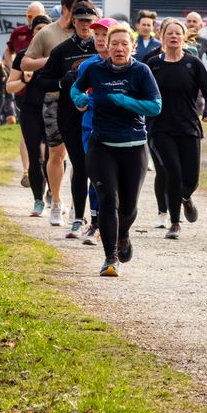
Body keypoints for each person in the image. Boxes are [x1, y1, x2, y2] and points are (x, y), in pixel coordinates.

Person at [71, 23, 162, 276]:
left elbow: (155, 106)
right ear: (107, 46)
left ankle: (123, 233)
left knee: (129, 206)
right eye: (115, 44)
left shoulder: (141, 71)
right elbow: (76, 87)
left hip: (133, 146)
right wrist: (78, 98)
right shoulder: (94, 69)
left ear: (133, 47)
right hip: (101, 145)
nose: (119, 48)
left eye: (125, 44)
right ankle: (110, 258)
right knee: (108, 200)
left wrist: (127, 102)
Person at [24, 0, 90, 224]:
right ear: (65, 9)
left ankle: (77, 206)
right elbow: (25, 63)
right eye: (76, 12)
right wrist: (54, 62)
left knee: (82, 158)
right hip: (55, 99)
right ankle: (57, 200)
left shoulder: (90, 34)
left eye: (85, 15)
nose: (81, 18)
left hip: (85, 101)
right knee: (57, 153)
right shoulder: (48, 33)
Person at [33, 1, 99, 235]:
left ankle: (97, 218)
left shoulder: (101, 49)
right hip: (69, 116)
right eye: (81, 20)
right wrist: (62, 82)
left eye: (89, 21)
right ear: (73, 21)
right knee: (79, 165)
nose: (85, 25)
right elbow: (42, 80)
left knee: (98, 168)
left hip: (97, 115)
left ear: (95, 22)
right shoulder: (61, 51)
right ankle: (78, 217)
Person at [146, 18, 207, 240]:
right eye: (169, 33)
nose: (174, 36)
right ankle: (174, 223)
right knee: (173, 172)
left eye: (178, 33)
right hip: (160, 127)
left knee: (191, 179)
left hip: (188, 126)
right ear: (162, 37)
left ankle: (186, 198)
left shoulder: (193, 63)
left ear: (184, 37)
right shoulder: (153, 64)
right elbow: (139, 87)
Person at [74, 17, 119, 245]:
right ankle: (95, 224)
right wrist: (79, 100)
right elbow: (77, 93)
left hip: (121, 129)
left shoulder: (128, 65)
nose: (100, 39)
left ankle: (115, 222)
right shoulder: (87, 66)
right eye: (97, 35)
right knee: (96, 176)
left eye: (105, 34)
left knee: (117, 180)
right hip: (91, 126)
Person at [9, 14, 53, 215]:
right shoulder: (23, 57)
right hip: (31, 110)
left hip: (54, 108)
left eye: (46, 28)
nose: (41, 33)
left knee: (54, 155)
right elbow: (10, 86)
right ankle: (38, 200)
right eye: (38, 29)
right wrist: (25, 81)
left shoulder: (57, 55)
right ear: (32, 32)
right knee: (36, 156)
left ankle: (54, 192)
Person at [4, 1, 47, 69]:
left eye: (36, 16)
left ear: (44, 15)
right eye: (30, 16)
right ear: (26, 15)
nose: (32, 19)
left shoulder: (50, 32)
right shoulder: (18, 32)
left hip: (42, 74)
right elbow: (8, 50)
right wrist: (11, 66)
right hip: (22, 74)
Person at [185, 12, 207, 76]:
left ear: (200, 25)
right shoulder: (179, 40)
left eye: (194, 21)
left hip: (198, 76)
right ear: (185, 24)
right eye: (189, 21)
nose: (191, 24)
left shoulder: (204, 41)